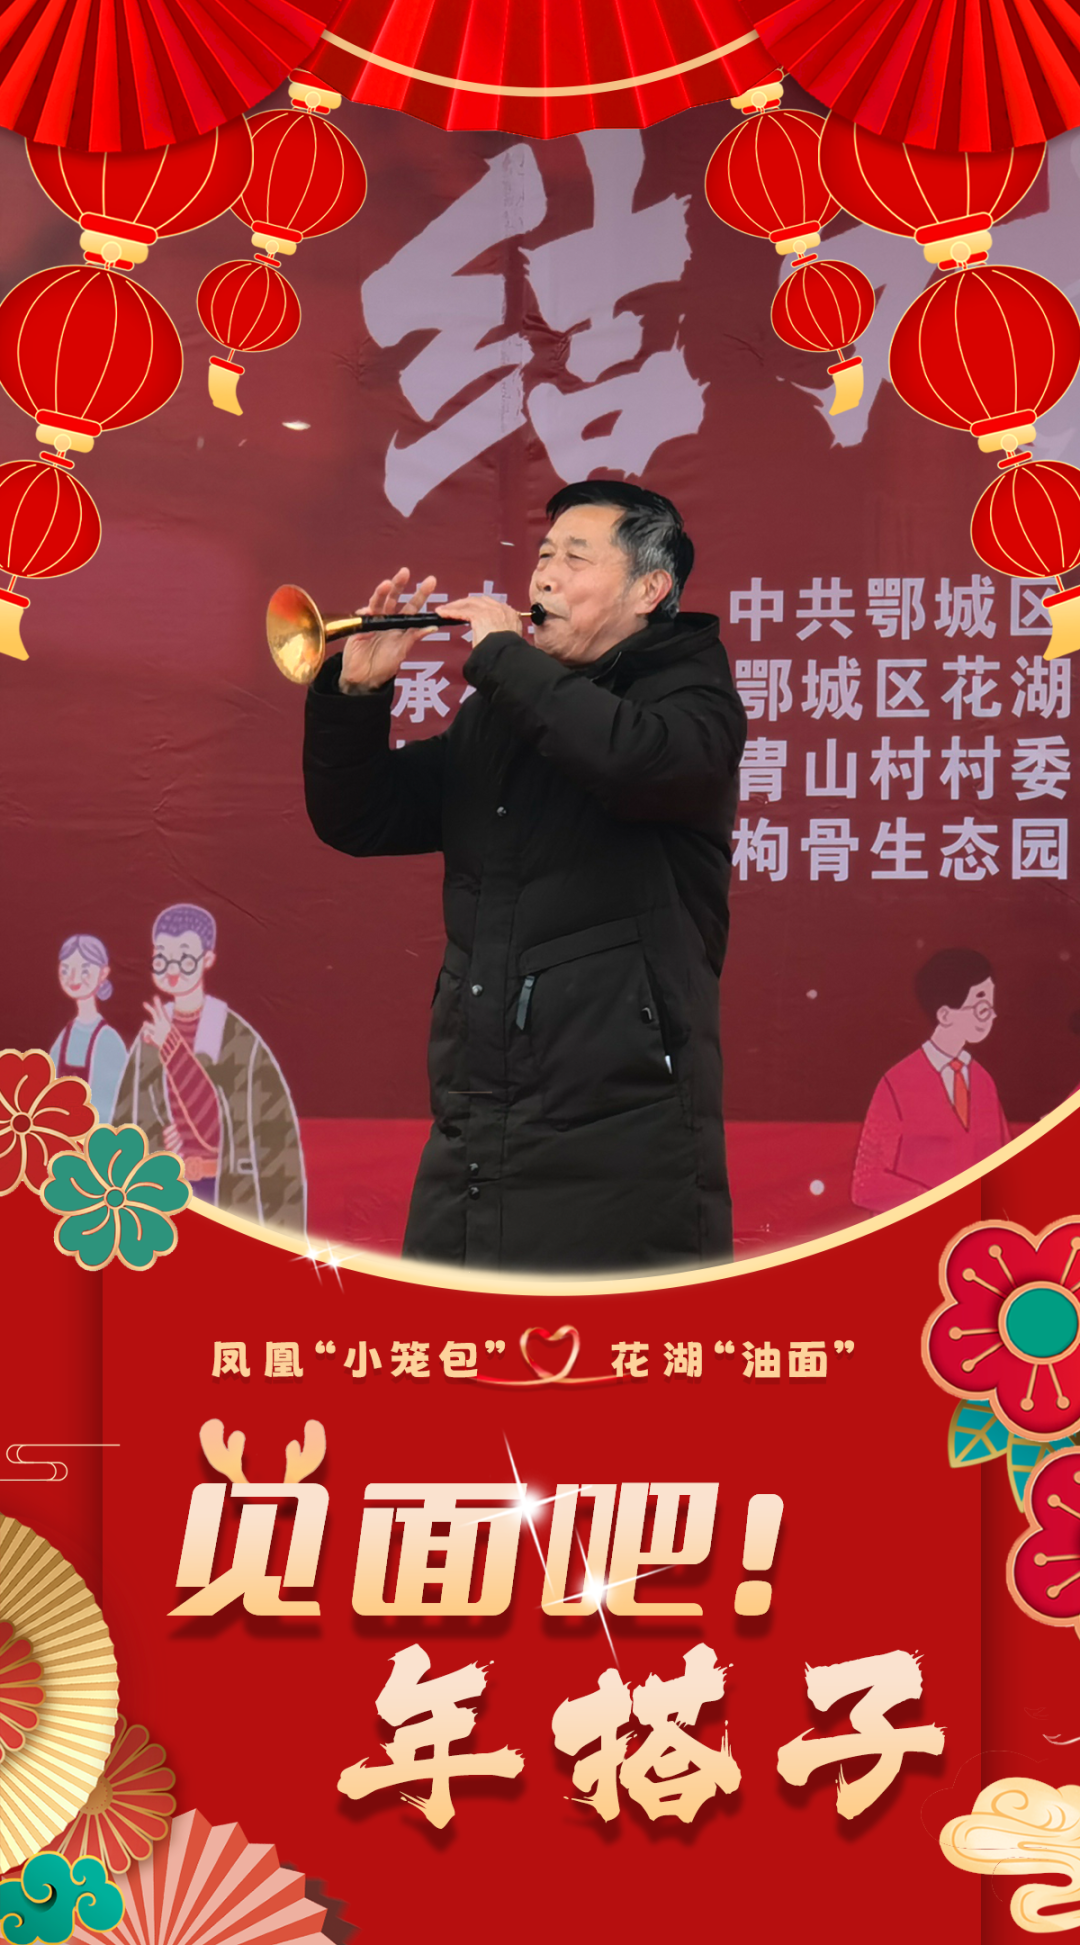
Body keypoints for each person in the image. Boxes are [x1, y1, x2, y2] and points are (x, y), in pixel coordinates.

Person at [303, 479, 747, 1273]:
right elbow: (363, 818)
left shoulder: (692, 697)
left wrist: (504, 658)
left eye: (575, 557)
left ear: (649, 589)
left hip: (626, 1139)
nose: (544, 574)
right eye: (543, 555)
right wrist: (358, 691)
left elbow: (631, 759)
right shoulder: (502, 709)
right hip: (478, 1130)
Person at [113, 903, 306, 1230]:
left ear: (208, 959)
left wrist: (172, 1048)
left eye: (185, 958)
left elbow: (227, 1131)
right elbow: (126, 1129)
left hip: (224, 1193)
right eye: (162, 958)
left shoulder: (236, 1041)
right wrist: (159, 1144)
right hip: (163, 1195)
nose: (173, 969)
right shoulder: (148, 1042)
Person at [851, 947, 1011, 1214]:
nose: (991, 1017)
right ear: (945, 1015)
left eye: (991, 1008)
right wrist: (935, 1202)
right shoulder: (897, 1083)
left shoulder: (983, 1081)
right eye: (982, 1009)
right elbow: (866, 1184)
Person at [50, 934, 127, 1120]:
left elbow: (115, 1105)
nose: (73, 978)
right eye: (66, 970)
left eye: (84, 971)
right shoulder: (65, 1035)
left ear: (103, 973)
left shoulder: (109, 1040)